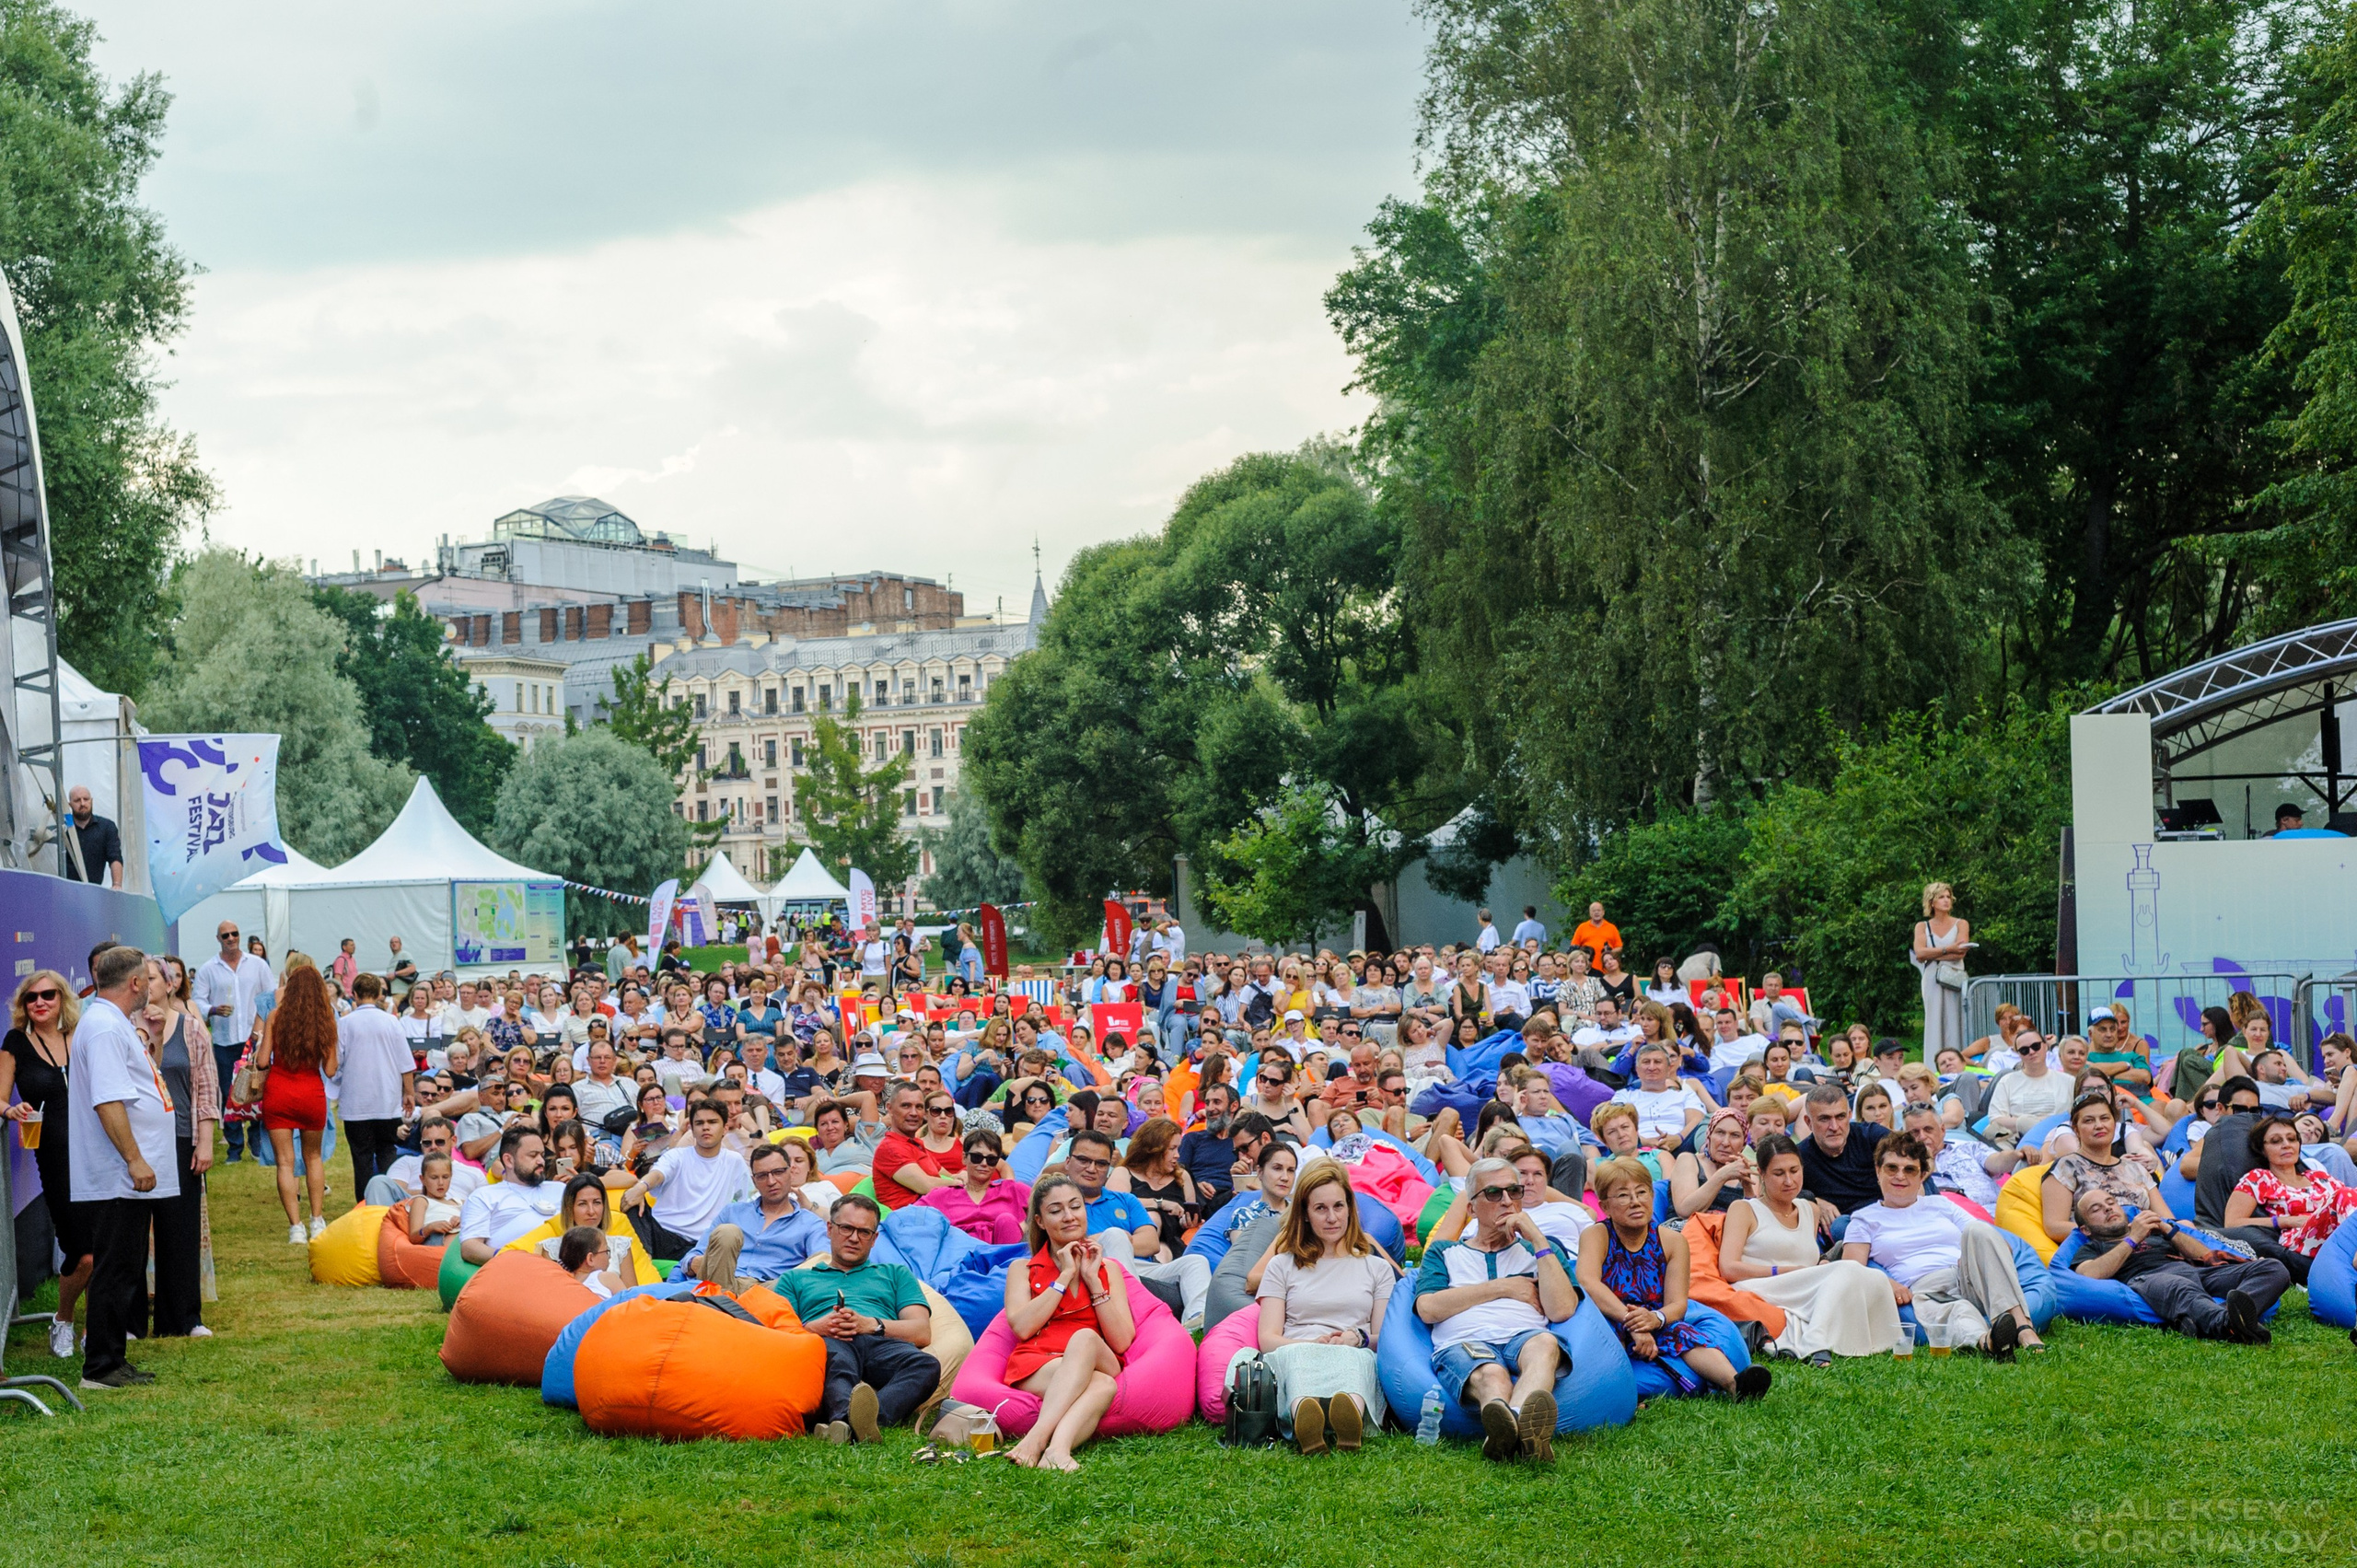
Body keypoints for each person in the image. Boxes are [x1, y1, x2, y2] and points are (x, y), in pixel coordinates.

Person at [1415, 1156, 1580, 1462]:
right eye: (1494, 1193)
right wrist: (1503, 1287)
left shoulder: (1543, 1249)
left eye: (1514, 1191)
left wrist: (1539, 1240)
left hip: (1525, 1335)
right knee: (1491, 1374)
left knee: (1545, 1344)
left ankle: (1510, 1431)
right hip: (1465, 1341)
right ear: (1471, 1208)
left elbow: (1562, 1310)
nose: (1507, 1201)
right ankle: (1526, 1438)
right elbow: (1428, 1308)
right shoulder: (1445, 1252)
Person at [66, 946, 175, 1390]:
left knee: (125, 1266)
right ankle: (101, 1367)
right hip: (117, 1175)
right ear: (134, 983)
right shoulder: (104, 1028)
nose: (150, 987)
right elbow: (108, 1101)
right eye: (147, 980)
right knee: (116, 1268)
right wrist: (134, 1159)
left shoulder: (114, 1024)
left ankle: (113, 1357)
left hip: (125, 1174)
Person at [1580, 1156, 1771, 1401]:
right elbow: (1588, 1282)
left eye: (1642, 1192)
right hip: (1608, 1316)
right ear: (1605, 1206)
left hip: (1653, 1318)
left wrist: (1654, 1319)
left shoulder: (1672, 1241)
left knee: (1682, 1333)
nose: (1635, 1202)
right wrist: (1633, 1324)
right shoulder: (1597, 1235)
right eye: (1623, 1196)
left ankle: (1735, 1385)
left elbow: (1678, 1304)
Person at [1840, 1132, 2043, 1357]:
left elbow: (1998, 1244)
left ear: (1922, 1176)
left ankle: (2023, 1329)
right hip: (1926, 1288)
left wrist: (1971, 1255)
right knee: (1956, 1310)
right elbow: (1850, 1270)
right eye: (1891, 1168)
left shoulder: (1940, 1204)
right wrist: (1888, 1283)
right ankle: (1990, 1342)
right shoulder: (1864, 1219)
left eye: (1910, 1169)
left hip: (1967, 1276)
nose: (1900, 1176)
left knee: (1978, 1229)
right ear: (1878, 1172)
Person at [1246, 1160, 1399, 1455]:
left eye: (1338, 1207)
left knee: (1353, 1358)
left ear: (1350, 1209)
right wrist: (1311, 1343)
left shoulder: (1376, 1269)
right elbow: (1268, 1338)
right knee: (1300, 1357)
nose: (1332, 1218)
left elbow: (1386, 1340)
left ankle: (1348, 1419)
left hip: (1352, 1349)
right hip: (1297, 1347)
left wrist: (1360, 1339)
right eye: (1320, 1209)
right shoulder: (1282, 1265)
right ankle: (1306, 1417)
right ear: (1304, 1213)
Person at [1717, 1134, 1899, 1364]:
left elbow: (1805, 1258)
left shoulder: (1809, 1209)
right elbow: (1729, 1268)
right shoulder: (1744, 1209)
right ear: (1762, 1175)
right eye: (1778, 1173)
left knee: (1872, 1277)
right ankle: (1815, 1342)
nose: (1789, 1181)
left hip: (1801, 1284)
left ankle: (1885, 1341)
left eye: (1794, 1171)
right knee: (1846, 1270)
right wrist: (1784, 1271)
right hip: (1760, 1284)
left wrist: (1815, 1266)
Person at [770, 1192, 935, 1443]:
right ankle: (855, 1424)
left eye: (864, 1232)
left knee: (927, 1365)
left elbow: (921, 1332)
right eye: (846, 1228)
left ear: (874, 1239)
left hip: (880, 1343)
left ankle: (853, 1424)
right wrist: (815, 1327)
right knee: (837, 1360)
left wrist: (871, 1325)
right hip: (826, 1341)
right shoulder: (795, 1279)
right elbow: (777, 1334)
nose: (854, 1238)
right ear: (829, 1228)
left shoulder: (895, 1274)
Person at [1001, 1174, 1140, 1470]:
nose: (1068, 1217)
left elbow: (1121, 1341)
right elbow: (1023, 1327)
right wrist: (1063, 1276)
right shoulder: (1022, 1269)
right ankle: (1057, 1451)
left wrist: (1091, 1279)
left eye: (1075, 1207)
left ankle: (1035, 1438)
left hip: (1099, 1356)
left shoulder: (1107, 1269)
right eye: (1056, 1211)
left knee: (1086, 1337)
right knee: (1102, 1385)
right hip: (1039, 1362)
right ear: (1039, 1221)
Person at [4, 970, 96, 1359]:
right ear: (23, 1005)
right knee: (81, 1252)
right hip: (55, 1159)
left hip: (98, 1153)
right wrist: (11, 1109)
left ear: (63, 999)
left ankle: (97, 1330)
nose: (40, 1003)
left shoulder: (82, 1035)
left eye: (48, 995)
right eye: (31, 998)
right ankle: (63, 1319)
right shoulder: (16, 1043)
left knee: (104, 1248)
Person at [2067, 1187, 2283, 1343]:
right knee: (2179, 1286)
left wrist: (2166, 1228)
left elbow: (2205, 1256)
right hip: (2150, 1279)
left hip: (2194, 1271)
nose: (2108, 1208)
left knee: (2273, 1268)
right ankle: (2226, 1324)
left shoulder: (2155, 1232)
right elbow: (2089, 1275)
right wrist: (2132, 1239)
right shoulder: (2092, 1247)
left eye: (2110, 1202)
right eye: (2096, 1209)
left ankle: (2221, 1318)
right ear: (2086, 1229)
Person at [134, 955, 218, 1340]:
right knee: (133, 1233)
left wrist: (204, 1142)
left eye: (151, 978)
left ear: (169, 984)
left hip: (181, 1137)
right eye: (139, 978)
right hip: (134, 1141)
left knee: (180, 1230)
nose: (145, 984)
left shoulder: (191, 1028)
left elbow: (205, 1088)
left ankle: (183, 1319)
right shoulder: (125, 1027)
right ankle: (131, 1321)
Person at [1065, 1128, 1210, 1330]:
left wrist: (1115, 1241)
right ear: (1067, 1162)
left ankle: (1196, 1325)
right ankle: (1137, 1314)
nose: (1092, 1168)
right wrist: (1114, 1238)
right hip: (1093, 1266)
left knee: (1196, 1262)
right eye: (1084, 1160)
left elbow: (1151, 1243)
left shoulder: (1125, 1199)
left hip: (1139, 1265)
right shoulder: (1059, 1199)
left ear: (1108, 1168)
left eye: (1101, 1163)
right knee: (1115, 1234)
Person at [255, 962, 340, 1244]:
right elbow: (330, 1069)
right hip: (311, 1092)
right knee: (313, 1157)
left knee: (284, 1162)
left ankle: (296, 1228)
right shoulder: (325, 1021)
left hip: (279, 1092)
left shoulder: (275, 1016)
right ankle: (317, 1221)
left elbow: (262, 1060)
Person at [620, 1098, 754, 1261]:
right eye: (699, 1123)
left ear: (725, 1128)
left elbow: (745, 1202)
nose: (705, 1127)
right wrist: (641, 1187)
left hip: (704, 1243)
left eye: (712, 1122)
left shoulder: (734, 1161)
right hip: (662, 1235)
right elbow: (659, 1173)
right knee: (631, 1199)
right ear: (692, 1128)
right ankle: (645, 1263)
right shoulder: (677, 1155)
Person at [2223, 1114, 2357, 1262]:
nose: (2286, 1145)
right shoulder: (2260, 1178)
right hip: (2300, 1237)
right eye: (2276, 1141)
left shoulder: (2319, 1177)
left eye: (2292, 1139)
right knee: (2345, 1195)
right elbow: (2232, 1223)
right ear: (2262, 1149)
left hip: (2335, 1232)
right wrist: (2288, 1221)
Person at [193, 921, 274, 1163]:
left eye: (235, 934)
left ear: (240, 936)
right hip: (225, 1040)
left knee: (257, 1090)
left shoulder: (257, 965)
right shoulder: (209, 968)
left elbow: (271, 996)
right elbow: (197, 1001)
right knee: (229, 1093)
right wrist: (214, 1009)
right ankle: (234, 1148)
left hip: (254, 1040)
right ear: (218, 938)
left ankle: (257, 1140)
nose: (231, 938)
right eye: (225, 935)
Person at [336, 972, 414, 1199]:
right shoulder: (391, 1021)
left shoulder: (345, 1023)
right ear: (380, 994)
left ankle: (363, 1204)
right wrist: (409, 1092)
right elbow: (405, 1062)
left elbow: (337, 1060)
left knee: (361, 1158)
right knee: (386, 1152)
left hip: (356, 1102)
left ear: (355, 995)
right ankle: (390, 1200)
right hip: (386, 1099)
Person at [922, 1127, 1031, 1243]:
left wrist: (1029, 1229)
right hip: (961, 1255)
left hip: (1005, 1256)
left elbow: (1046, 1201)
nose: (984, 1163)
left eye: (991, 1159)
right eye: (977, 1157)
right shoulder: (943, 1195)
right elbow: (907, 1217)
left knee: (1006, 1220)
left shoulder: (1012, 1189)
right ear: (964, 1158)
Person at [870, 1082, 963, 1210]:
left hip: (936, 1210)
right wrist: (960, 1184)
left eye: (919, 1107)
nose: (913, 1113)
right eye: (906, 1106)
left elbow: (948, 1176)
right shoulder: (889, 1148)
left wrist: (963, 1177)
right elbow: (926, 1185)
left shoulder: (917, 1144)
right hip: (912, 1219)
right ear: (890, 1108)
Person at [1911, 882, 1969, 1061]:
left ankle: (1956, 1062)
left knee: (1955, 1020)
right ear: (1932, 902)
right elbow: (1919, 953)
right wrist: (1947, 950)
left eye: (1948, 897)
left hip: (1954, 975)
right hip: (1932, 978)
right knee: (1934, 1021)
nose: (1946, 901)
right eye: (1941, 897)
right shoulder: (1922, 926)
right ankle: (1932, 1064)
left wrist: (1933, 954)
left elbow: (1961, 951)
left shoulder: (1961, 924)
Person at [1670, 1109, 1759, 1217]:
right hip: (1686, 1231)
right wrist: (1723, 1175)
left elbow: (1754, 1221)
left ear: (1744, 1143)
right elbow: (1684, 1211)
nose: (1725, 1142)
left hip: (1730, 1232)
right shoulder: (1688, 1160)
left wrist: (1747, 1189)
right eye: (1720, 1133)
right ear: (1709, 1136)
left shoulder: (1749, 1175)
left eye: (1735, 1135)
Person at [65, 784, 122, 888]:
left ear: (91, 801)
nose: (82, 803)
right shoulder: (63, 828)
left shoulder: (107, 827)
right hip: (65, 892)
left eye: (86, 799)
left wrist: (117, 885)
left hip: (94, 893)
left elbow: (115, 857)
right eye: (77, 800)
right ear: (70, 805)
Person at [404, 1154, 463, 1248]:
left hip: (463, 1236)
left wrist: (463, 1221)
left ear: (451, 1177)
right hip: (438, 1238)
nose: (440, 1183)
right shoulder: (421, 1201)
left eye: (445, 1177)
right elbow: (413, 1237)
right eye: (434, 1178)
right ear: (422, 1179)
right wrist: (430, 1227)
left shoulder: (459, 1202)